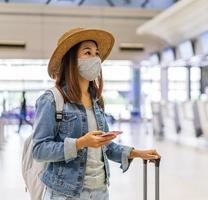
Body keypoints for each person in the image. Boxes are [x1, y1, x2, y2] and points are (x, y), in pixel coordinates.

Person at [32, 28, 161, 200]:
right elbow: (39, 150)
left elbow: (106, 147)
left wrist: (137, 153)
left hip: (100, 191)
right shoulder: (51, 100)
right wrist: (79, 143)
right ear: (72, 60)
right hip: (65, 193)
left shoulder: (96, 101)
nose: (96, 59)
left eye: (96, 53)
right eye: (88, 52)